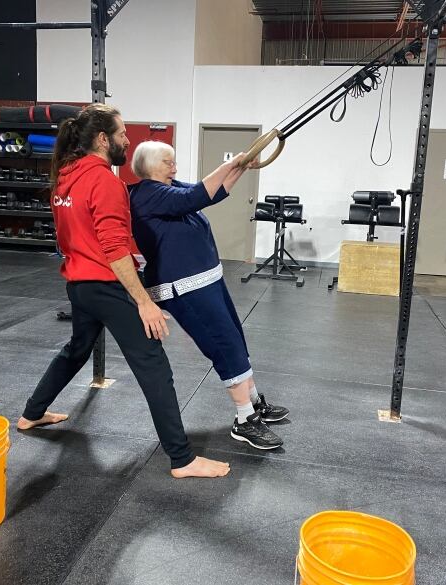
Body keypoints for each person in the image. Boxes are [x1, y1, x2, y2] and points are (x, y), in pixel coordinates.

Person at [17, 105, 229, 479]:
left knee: (77, 349)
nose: (127, 140)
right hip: (105, 287)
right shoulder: (105, 181)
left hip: (78, 285)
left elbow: (78, 236)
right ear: (103, 140)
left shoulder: (65, 177)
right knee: (154, 365)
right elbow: (113, 249)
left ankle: (31, 413)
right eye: (120, 135)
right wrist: (144, 302)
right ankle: (182, 459)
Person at [129, 141, 290, 451]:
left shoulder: (169, 186)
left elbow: (212, 193)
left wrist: (241, 168)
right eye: (167, 162)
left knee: (234, 338)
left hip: (207, 280)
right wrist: (234, 160)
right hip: (184, 287)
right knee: (223, 344)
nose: (174, 167)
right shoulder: (147, 194)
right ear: (149, 167)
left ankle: (254, 403)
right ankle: (244, 419)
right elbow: (197, 195)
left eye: (173, 161)